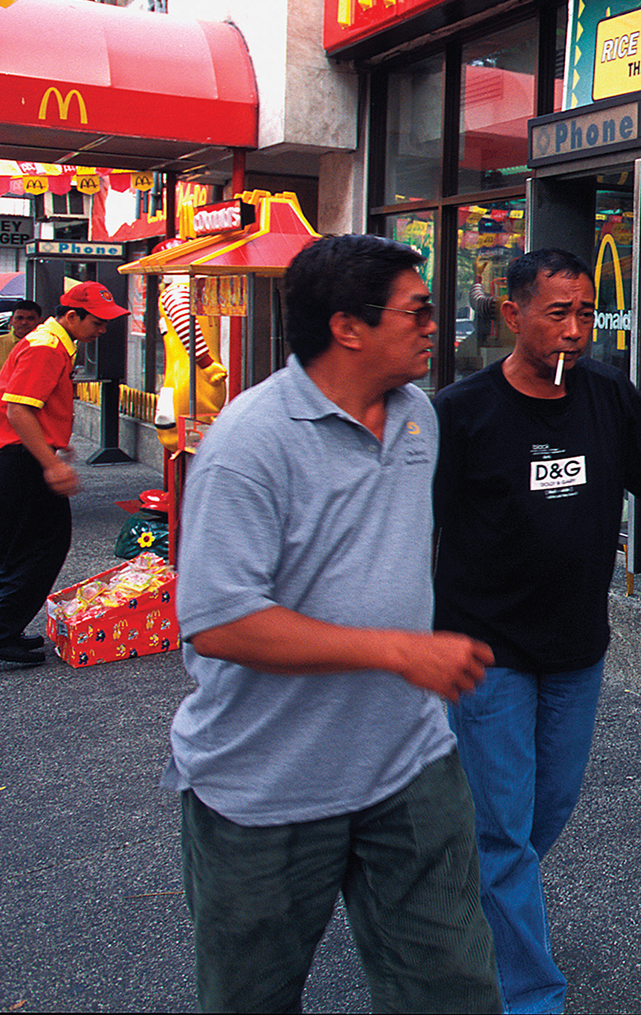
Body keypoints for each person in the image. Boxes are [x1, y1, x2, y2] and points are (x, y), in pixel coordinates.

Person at [162, 235, 501, 1013]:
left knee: (451, 985)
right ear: (348, 326)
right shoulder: (249, 444)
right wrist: (395, 650)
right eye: (417, 310)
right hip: (266, 784)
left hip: (408, 762)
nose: (435, 325)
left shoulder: (419, 415)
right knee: (253, 997)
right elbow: (218, 623)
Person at [433, 247, 641, 1014]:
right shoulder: (461, 411)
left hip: (575, 647)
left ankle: (465, 909)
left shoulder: (605, 391)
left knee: (545, 810)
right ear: (512, 315)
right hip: (485, 649)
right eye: (556, 313)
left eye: (585, 313)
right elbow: (412, 527)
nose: (574, 330)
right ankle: (530, 994)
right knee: (504, 830)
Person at [0, 281, 126, 666]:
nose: (102, 330)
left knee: (4, 546)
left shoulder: (47, 341)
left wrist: (55, 440)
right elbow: (19, 410)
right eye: (98, 323)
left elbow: (27, 406)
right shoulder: (48, 347)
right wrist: (51, 463)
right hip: (22, 459)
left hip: (7, 456)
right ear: (72, 316)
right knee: (44, 545)